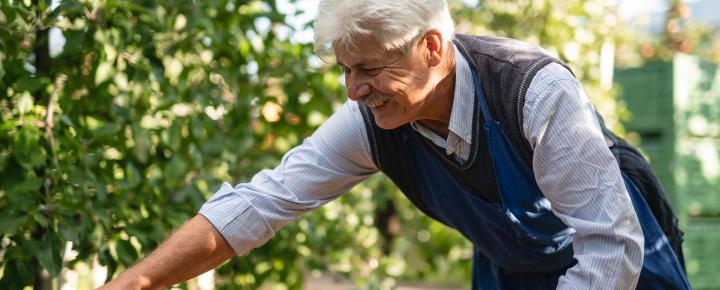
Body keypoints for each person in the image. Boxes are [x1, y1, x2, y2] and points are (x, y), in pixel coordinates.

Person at [98, 1, 690, 289]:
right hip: (515, 271)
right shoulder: (371, 124)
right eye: (344, 70)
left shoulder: (532, 90)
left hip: (624, 264)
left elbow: (610, 248)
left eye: (370, 69)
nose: (354, 90)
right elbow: (260, 204)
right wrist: (137, 282)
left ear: (432, 47)